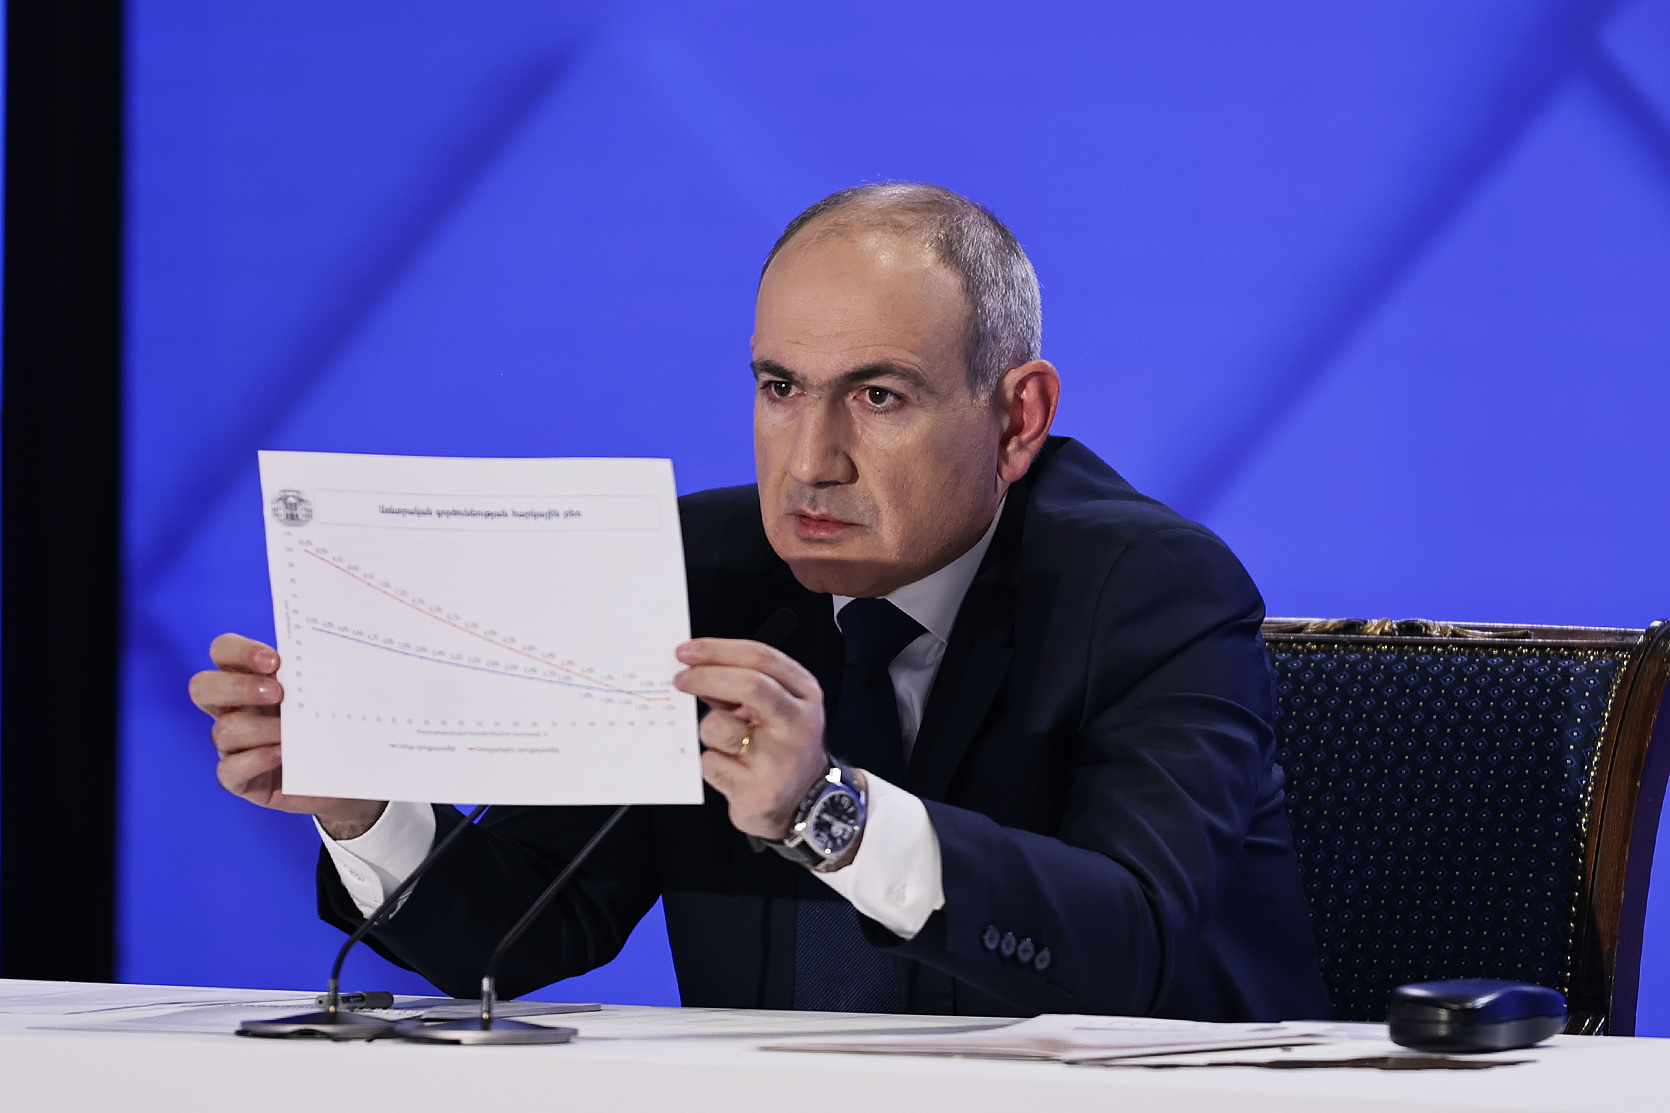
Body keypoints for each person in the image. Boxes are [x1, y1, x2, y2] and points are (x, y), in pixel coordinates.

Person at [190, 183, 1330, 1020]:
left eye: (878, 397)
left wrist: (826, 811)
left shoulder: (1151, 590)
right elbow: (523, 928)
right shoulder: (701, 570)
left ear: (1018, 416)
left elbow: (1128, 943)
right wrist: (361, 806)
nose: (810, 462)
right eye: (780, 387)